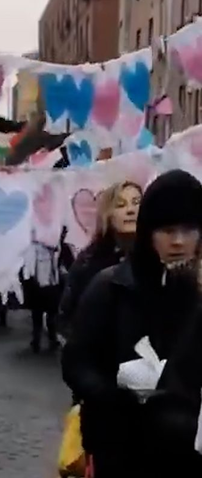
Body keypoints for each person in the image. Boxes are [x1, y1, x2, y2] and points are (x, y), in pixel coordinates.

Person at [62, 170, 202, 477]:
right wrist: (113, 395)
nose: (178, 241)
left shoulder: (197, 292)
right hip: (121, 449)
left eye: (188, 229)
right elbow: (76, 362)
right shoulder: (109, 287)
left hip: (187, 451)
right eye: (167, 230)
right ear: (149, 231)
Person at [57, 181, 142, 341]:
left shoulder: (159, 255)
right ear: (108, 214)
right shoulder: (89, 261)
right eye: (121, 205)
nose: (131, 210)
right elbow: (67, 317)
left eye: (137, 203)